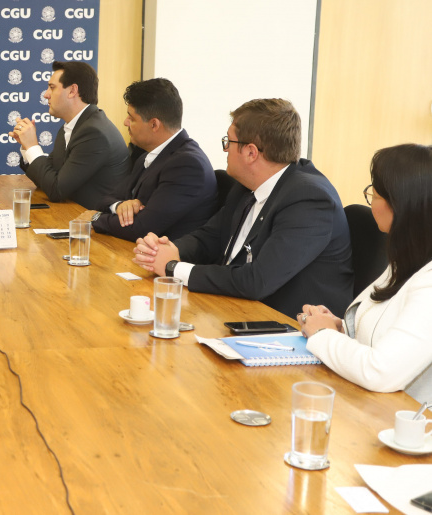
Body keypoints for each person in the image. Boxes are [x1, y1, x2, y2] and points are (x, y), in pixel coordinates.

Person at [133, 98, 353, 318]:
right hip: (236, 310)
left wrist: (173, 268)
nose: (226, 149)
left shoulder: (309, 200)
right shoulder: (247, 185)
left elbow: (257, 280)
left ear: (251, 153)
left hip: (285, 327)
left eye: (229, 141)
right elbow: (209, 237)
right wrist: (163, 250)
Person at [300, 144, 432, 399]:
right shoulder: (407, 258)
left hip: (409, 426)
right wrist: (338, 327)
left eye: (376, 192)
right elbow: (380, 333)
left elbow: (380, 371)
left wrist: (322, 334)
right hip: (371, 405)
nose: (370, 198)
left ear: (401, 205)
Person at [78, 78, 217, 240]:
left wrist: (95, 218)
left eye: (132, 118)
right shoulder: (148, 155)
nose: (125, 122)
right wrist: (120, 206)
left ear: (154, 125)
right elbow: (106, 199)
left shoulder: (188, 166)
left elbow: (142, 228)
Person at [9, 61, 131, 211]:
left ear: (73, 91)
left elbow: (56, 190)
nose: (46, 95)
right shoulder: (72, 126)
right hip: (74, 215)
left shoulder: (94, 133)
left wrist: (33, 147)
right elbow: (48, 178)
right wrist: (26, 146)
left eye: (52, 88)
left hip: (95, 225)